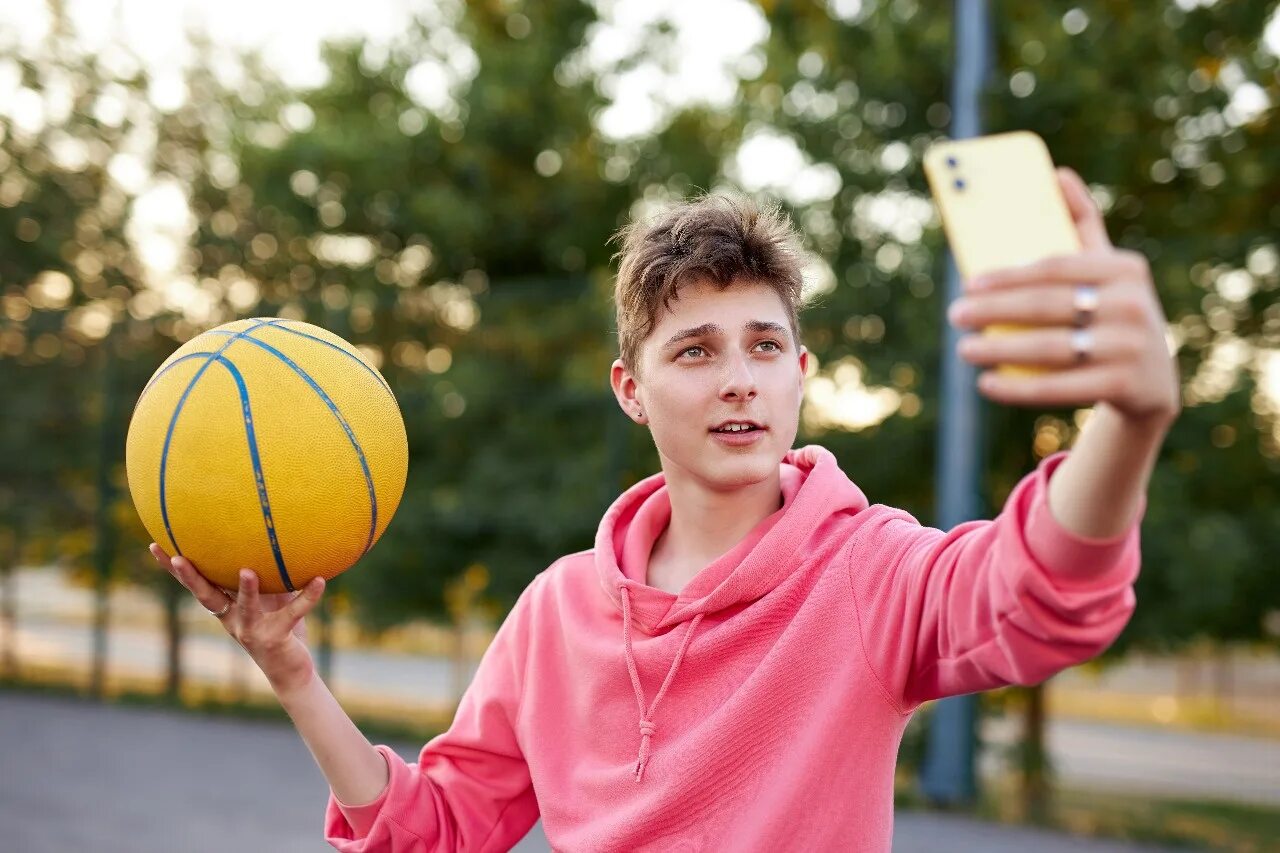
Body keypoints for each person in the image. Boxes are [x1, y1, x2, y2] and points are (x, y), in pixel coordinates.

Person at [150, 168, 1180, 852]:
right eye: (694, 350)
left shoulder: (866, 573)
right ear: (629, 388)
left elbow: (1037, 589)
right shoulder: (558, 611)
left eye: (763, 345)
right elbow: (436, 830)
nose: (738, 379)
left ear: (800, 374)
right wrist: (290, 672)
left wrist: (1127, 421)